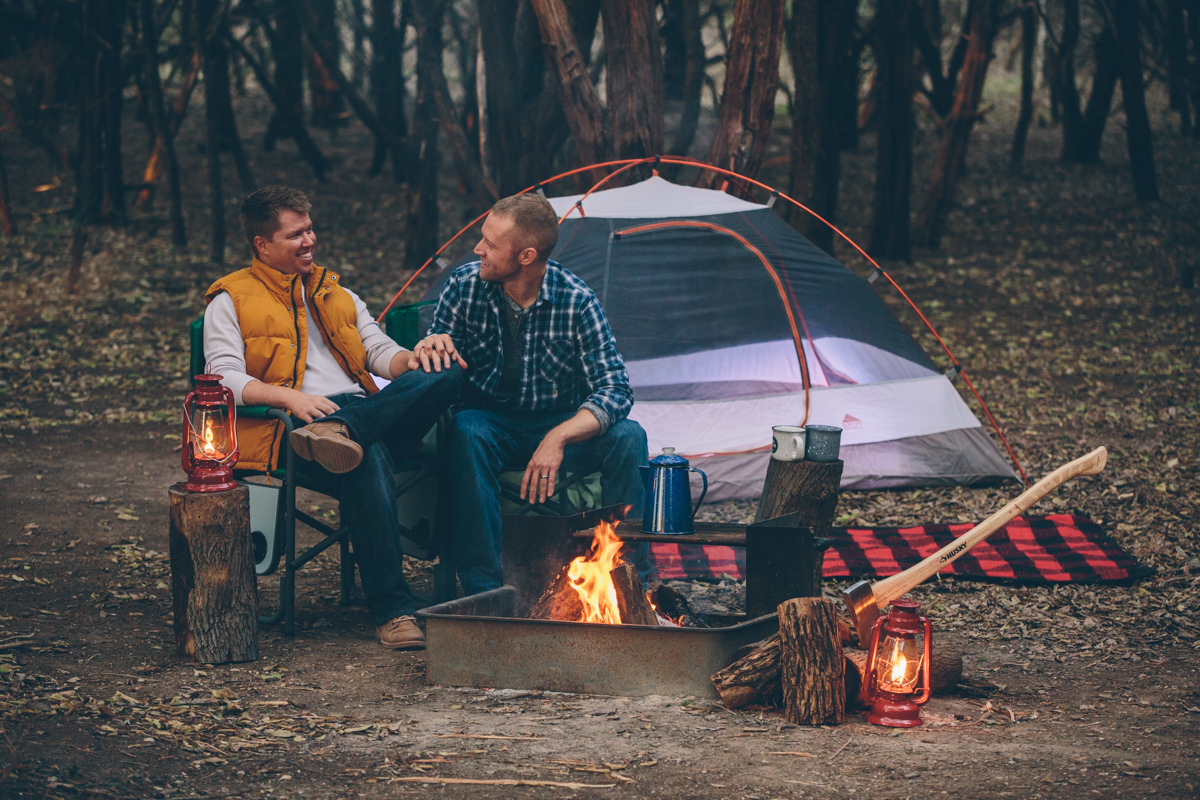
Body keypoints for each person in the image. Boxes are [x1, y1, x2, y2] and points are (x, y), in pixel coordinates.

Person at [204, 186, 463, 650]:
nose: (309, 241)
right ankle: (393, 610)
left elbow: (380, 353)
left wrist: (416, 357)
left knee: (447, 370)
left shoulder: (335, 291)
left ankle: (350, 429)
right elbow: (222, 379)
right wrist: (290, 399)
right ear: (262, 244)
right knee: (368, 457)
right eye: (295, 234)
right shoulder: (231, 300)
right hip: (296, 428)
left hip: (361, 412)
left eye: (309, 229)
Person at [419, 193, 649, 596]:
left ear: (526, 255)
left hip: (560, 422)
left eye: (490, 244)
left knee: (630, 437)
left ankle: (631, 581)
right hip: (490, 425)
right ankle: (484, 592)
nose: (477, 250)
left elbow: (615, 388)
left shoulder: (576, 301)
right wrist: (431, 347)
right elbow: (436, 368)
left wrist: (558, 436)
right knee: (466, 430)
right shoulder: (463, 287)